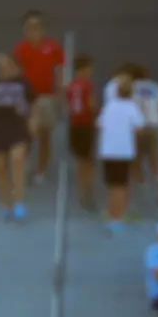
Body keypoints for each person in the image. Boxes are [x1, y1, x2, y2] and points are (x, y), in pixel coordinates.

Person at [0, 52, 34, 221]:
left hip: (17, 127)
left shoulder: (24, 84)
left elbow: (34, 105)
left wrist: (34, 123)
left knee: (17, 160)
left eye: (6, 65)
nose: (2, 69)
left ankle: (19, 201)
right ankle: (5, 202)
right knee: (0, 167)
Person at [14, 10, 67, 183]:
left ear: (42, 28)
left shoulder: (53, 47)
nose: (33, 29)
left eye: (37, 26)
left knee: (45, 135)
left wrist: (60, 93)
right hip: (27, 97)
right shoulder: (20, 49)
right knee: (26, 133)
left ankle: (41, 171)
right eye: (30, 26)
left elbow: (59, 70)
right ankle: (25, 167)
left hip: (47, 97)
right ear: (25, 28)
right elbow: (17, 73)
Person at [97, 72, 144, 232]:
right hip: (123, 152)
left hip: (108, 151)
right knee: (121, 186)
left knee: (112, 186)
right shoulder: (131, 107)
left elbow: (100, 125)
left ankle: (112, 213)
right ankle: (117, 217)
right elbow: (138, 128)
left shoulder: (108, 106)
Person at [65, 56, 99, 208]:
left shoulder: (72, 85)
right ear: (84, 68)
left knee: (81, 160)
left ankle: (82, 191)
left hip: (74, 125)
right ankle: (87, 192)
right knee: (89, 161)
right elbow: (91, 104)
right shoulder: (87, 85)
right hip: (86, 124)